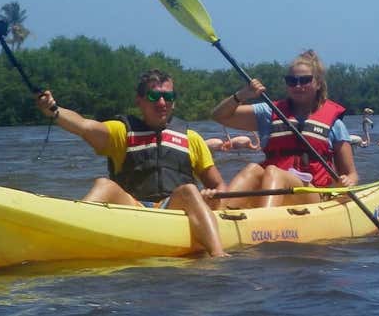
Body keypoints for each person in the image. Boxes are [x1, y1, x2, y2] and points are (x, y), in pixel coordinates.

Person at [36, 68, 229, 258]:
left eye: (168, 97)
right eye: (154, 96)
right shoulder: (122, 132)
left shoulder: (191, 138)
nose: (162, 103)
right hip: (133, 209)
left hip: (174, 209)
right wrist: (54, 110)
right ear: (140, 100)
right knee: (104, 185)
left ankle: (218, 255)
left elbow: (218, 184)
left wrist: (215, 201)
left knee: (189, 190)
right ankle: (69, 233)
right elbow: (84, 126)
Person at [211, 49, 359, 209]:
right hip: (272, 186)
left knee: (273, 171)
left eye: (305, 80)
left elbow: (351, 174)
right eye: (291, 81)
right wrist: (242, 95)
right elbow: (220, 116)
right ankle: (221, 214)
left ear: (318, 83)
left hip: (313, 193)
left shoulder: (335, 125)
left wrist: (347, 181)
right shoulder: (269, 112)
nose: (298, 85)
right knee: (253, 169)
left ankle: (265, 221)